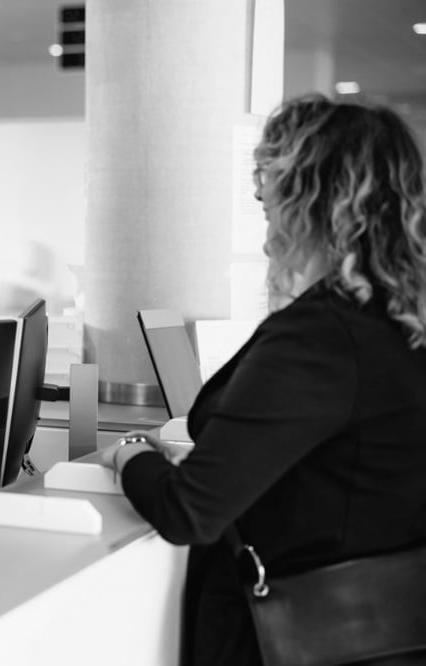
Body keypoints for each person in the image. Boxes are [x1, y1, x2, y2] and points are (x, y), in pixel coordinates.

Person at [102, 94, 426, 665]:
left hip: (301, 634)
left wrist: (129, 452)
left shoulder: (323, 336)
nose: (263, 210)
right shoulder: (400, 319)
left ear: (309, 200)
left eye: (269, 193)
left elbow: (189, 512)